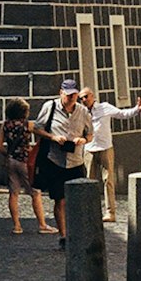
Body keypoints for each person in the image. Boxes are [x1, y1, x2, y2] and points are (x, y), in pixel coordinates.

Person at [32, 78, 93, 247]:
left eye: (74, 94)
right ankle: (64, 236)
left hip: (76, 161)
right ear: (61, 93)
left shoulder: (83, 112)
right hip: (55, 160)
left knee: (79, 200)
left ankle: (78, 233)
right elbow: (36, 128)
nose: (72, 98)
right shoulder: (49, 107)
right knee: (60, 199)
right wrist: (53, 137)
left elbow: (90, 135)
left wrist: (83, 140)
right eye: (68, 95)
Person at [80, 87, 141, 222]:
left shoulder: (104, 107)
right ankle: (90, 212)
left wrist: (137, 109)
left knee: (108, 181)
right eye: (81, 98)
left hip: (105, 148)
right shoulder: (80, 112)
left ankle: (110, 212)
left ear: (92, 96)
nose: (84, 100)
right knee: (89, 182)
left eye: (86, 96)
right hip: (88, 149)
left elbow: (122, 114)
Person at [0, 96, 56, 234]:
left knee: (13, 193)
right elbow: (40, 133)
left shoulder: (5, 125)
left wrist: (9, 154)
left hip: (11, 160)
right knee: (35, 192)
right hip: (25, 160)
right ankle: (42, 225)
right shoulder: (27, 125)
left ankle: (16, 226)